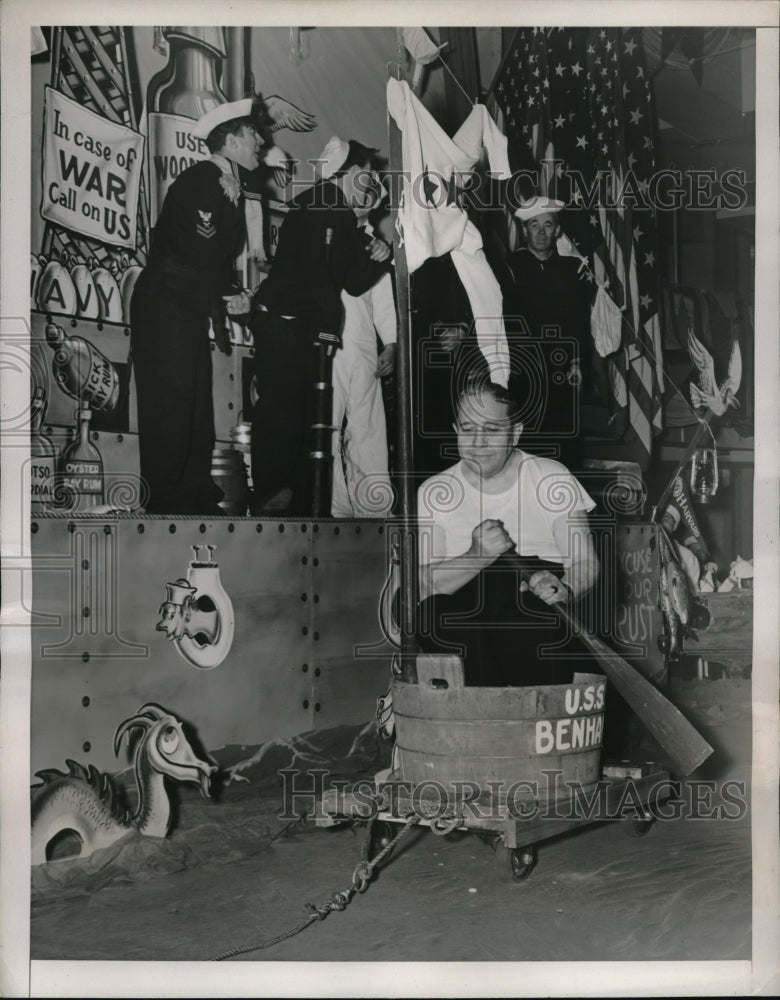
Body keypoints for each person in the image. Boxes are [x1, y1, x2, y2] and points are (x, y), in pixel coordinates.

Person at [131, 97, 270, 514]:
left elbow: (208, 260)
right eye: (251, 134)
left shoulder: (225, 184)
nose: (260, 140)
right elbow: (199, 249)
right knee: (170, 405)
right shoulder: (201, 181)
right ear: (229, 141)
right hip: (165, 304)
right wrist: (232, 297)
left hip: (183, 305)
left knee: (193, 406)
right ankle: (168, 502)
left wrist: (230, 295)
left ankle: (194, 496)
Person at [416, 381, 599, 686]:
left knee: (521, 607)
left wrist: (564, 588)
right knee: (433, 614)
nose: (478, 442)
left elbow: (585, 563)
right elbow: (422, 586)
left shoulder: (551, 477)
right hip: (469, 602)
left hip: (537, 595)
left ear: (515, 433)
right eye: (468, 429)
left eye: (492, 430)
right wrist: (477, 557)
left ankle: (527, 716)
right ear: (455, 430)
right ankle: (485, 716)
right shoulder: (434, 491)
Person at [249, 136, 392, 515]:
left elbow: (349, 278)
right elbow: (342, 281)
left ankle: (286, 499)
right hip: (283, 324)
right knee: (283, 414)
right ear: (356, 171)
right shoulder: (330, 206)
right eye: (368, 174)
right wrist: (382, 256)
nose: (371, 183)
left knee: (294, 415)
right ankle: (271, 496)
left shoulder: (323, 203)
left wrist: (378, 253)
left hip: (288, 326)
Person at [500, 196, 594, 468]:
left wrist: (576, 360)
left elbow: (577, 320)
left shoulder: (569, 269)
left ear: (557, 230)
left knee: (564, 443)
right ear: (524, 229)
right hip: (522, 372)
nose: (541, 232)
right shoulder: (510, 268)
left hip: (560, 371)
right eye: (534, 225)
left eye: (547, 225)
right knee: (526, 442)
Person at [331, 203, 397, 517]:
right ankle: (334, 510)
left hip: (363, 345)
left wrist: (391, 345)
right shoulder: (324, 233)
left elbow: (383, 302)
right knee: (327, 428)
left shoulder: (375, 246)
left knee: (368, 430)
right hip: (327, 345)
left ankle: (374, 512)